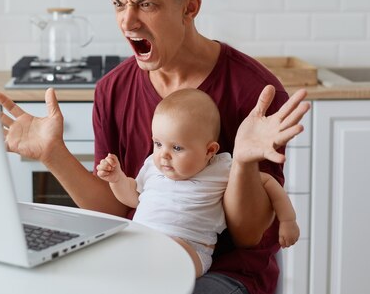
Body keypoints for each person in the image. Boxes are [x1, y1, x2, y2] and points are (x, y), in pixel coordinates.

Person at [0, 0, 311, 294]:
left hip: (226, 273)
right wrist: (53, 153)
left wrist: (244, 162)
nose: (128, 22)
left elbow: (248, 235)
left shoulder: (256, 93)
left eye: (146, 5)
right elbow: (114, 208)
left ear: (189, 7)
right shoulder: (112, 89)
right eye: (118, 4)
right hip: (138, 260)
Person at [96, 88, 300, 278]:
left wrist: (288, 220)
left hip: (189, 247)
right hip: (142, 241)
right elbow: (133, 198)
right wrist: (117, 180)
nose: (163, 155)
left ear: (209, 151)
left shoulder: (221, 169)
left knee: (159, 264)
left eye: (177, 148)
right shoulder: (152, 166)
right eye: (158, 144)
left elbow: (269, 182)